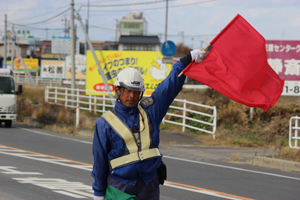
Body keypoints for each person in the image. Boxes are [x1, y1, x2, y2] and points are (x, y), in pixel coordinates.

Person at [92, 49, 205, 200]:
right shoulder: (104, 123)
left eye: (136, 91)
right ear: (117, 90)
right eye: (127, 91)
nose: (132, 96)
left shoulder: (150, 111)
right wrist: (98, 193)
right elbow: (99, 162)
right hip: (120, 189)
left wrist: (186, 60)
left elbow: (168, 88)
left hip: (149, 187)